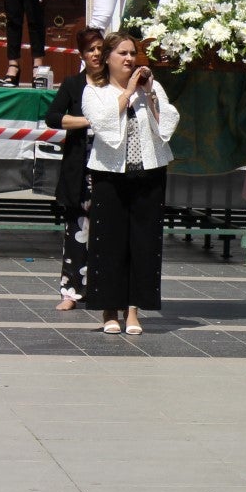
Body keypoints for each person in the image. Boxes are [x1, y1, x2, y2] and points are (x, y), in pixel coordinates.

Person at [82, 32, 180, 336]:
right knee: (110, 241)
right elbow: (102, 123)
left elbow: (168, 123)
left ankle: (134, 309)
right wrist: (127, 93)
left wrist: (150, 95)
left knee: (144, 241)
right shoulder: (94, 91)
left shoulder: (151, 88)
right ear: (108, 58)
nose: (129, 59)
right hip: (110, 173)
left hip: (147, 171)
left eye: (132, 53)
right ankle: (109, 309)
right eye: (122, 53)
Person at [45, 27, 104, 310]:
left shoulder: (115, 83)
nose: (96, 54)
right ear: (82, 54)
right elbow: (53, 117)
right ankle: (71, 292)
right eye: (90, 49)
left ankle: (102, 290)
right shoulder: (73, 84)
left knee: (105, 232)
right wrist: (87, 121)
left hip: (108, 170)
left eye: (99, 49)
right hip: (80, 170)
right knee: (76, 230)